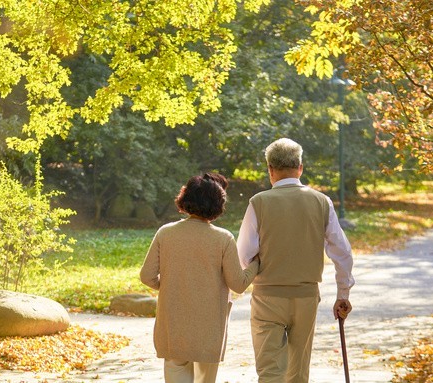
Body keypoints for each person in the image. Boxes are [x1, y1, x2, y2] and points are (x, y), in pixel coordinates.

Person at [237, 138, 355, 383]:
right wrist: (342, 293)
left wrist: (234, 288)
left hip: (268, 297)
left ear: (270, 169)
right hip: (306, 297)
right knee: (298, 373)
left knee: (270, 372)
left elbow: (244, 255)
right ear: (300, 167)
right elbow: (342, 252)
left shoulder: (258, 203)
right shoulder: (321, 202)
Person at [140, 172, 260, 383]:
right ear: (218, 205)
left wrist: (170, 286)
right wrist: (255, 264)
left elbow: (147, 276)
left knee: (176, 370)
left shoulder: (165, 233)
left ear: (185, 199)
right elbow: (238, 284)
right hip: (209, 326)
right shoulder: (223, 238)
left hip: (173, 323)